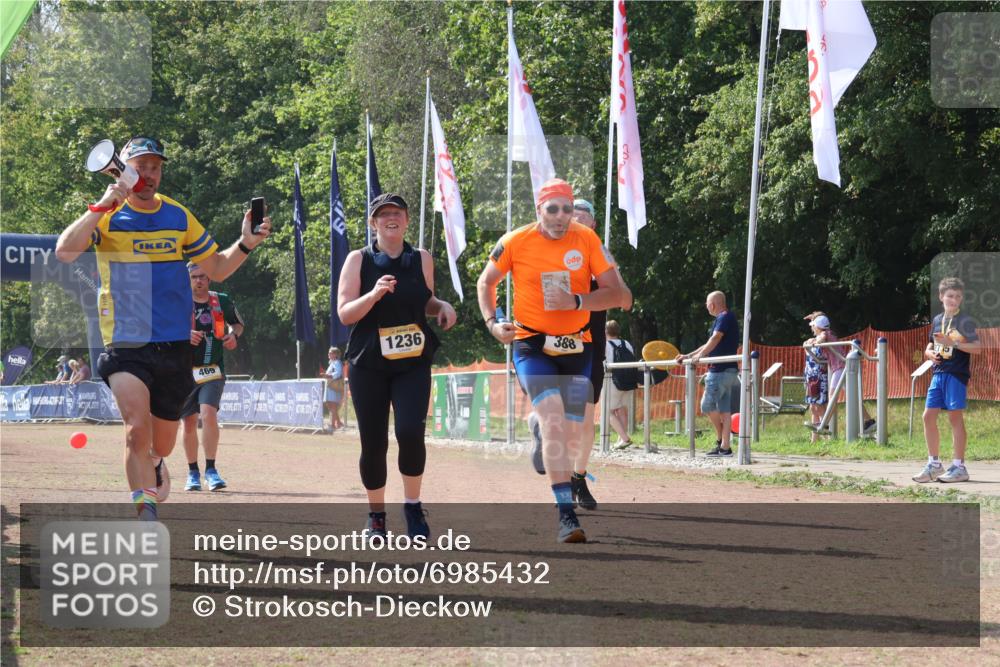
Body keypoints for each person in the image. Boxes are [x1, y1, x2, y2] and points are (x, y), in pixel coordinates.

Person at [55, 135, 271, 520]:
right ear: (124, 170)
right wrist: (101, 206)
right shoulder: (105, 216)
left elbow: (217, 268)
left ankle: (156, 461)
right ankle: (146, 515)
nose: (149, 174)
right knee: (135, 429)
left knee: (163, 443)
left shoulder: (178, 216)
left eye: (155, 167)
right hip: (125, 342)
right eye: (141, 167)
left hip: (173, 344)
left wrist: (246, 242)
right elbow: (65, 251)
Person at [477, 178, 623, 543]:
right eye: (552, 209)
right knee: (556, 421)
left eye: (567, 209)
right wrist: (493, 323)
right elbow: (486, 282)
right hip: (531, 345)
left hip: (578, 347)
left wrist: (576, 302)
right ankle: (566, 515)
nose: (560, 217)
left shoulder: (587, 240)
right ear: (538, 211)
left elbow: (615, 294)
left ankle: (543, 432)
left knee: (569, 434)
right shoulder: (515, 241)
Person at [338, 193, 456, 540]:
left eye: (397, 214)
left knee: (409, 432)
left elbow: (425, 301)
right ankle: (376, 516)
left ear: (406, 221)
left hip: (412, 361)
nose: (391, 218)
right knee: (373, 442)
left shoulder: (420, 258)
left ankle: (413, 507)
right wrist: (373, 295)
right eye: (383, 214)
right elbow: (345, 314)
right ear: (373, 223)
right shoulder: (358, 260)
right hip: (368, 362)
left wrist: (443, 306)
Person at [180, 262, 245, 492]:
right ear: (187, 279)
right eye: (194, 277)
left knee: (208, 414)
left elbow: (238, 324)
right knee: (188, 422)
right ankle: (192, 472)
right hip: (184, 371)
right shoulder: (178, 301)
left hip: (213, 369)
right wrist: (183, 335)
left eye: (203, 277)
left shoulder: (221, 300)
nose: (199, 280)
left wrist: (232, 336)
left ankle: (211, 469)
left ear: (210, 279)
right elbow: (162, 329)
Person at [913, 277, 982, 484]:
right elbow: (929, 345)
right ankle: (934, 464)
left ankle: (959, 467)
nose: (954, 300)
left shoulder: (965, 321)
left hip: (956, 374)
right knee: (928, 416)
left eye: (958, 297)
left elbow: (977, 348)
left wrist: (953, 342)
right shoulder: (936, 320)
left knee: (954, 418)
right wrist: (929, 354)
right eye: (950, 296)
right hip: (938, 372)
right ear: (941, 296)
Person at [676, 291, 740, 457]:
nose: (706, 306)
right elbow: (709, 342)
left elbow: (715, 338)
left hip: (719, 371)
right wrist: (688, 356)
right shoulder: (727, 317)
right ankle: (725, 447)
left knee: (707, 405)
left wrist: (700, 356)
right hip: (729, 370)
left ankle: (720, 439)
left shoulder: (723, 317)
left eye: (706, 304)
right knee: (725, 411)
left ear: (712, 305)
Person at [804, 312, 875, 434]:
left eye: (813, 326)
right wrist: (813, 340)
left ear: (818, 327)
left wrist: (815, 342)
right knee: (853, 398)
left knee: (832, 398)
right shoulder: (829, 333)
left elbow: (821, 339)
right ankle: (869, 422)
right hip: (842, 367)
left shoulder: (824, 334)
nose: (812, 329)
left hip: (840, 368)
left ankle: (824, 425)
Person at [605, 319, 636, 450]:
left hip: (613, 380)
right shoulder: (626, 343)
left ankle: (625, 438)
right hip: (628, 381)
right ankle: (621, 440)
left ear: (606, 331)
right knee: (622, 409)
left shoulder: (605, 345)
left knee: (608, 412)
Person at [323, 346, 345, 431]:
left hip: (334, 387)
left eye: (330, 353)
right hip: (330, 386)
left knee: (332, 405)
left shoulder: (337, 363)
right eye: (329, 353)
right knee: (330, 404)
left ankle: (333, 425)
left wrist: (328, 375)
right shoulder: (332, 363)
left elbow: (338, 373)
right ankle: (338, 423)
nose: (328, 354)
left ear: (335, 354)